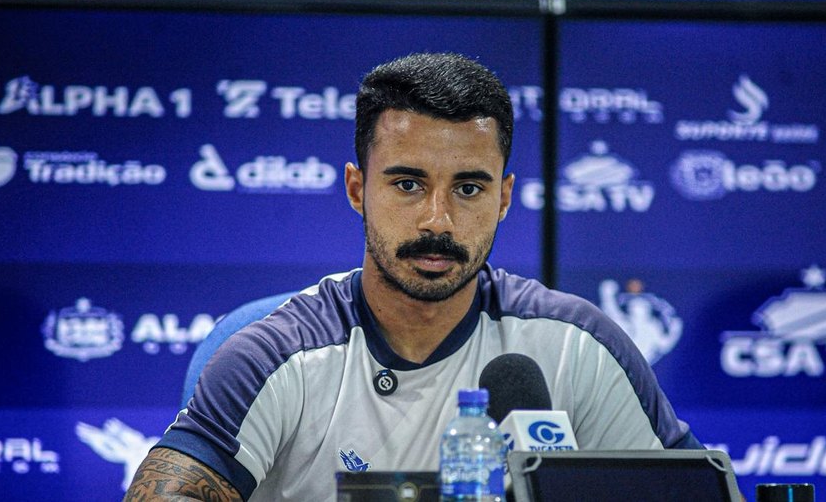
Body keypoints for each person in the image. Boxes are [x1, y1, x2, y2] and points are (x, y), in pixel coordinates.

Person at [124, 52, 702, 501]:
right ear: (357, 189)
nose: (437, 220)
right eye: (407, 184)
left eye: (468, 188)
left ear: (504, 198)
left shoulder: (578, 346)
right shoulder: (275, 355)